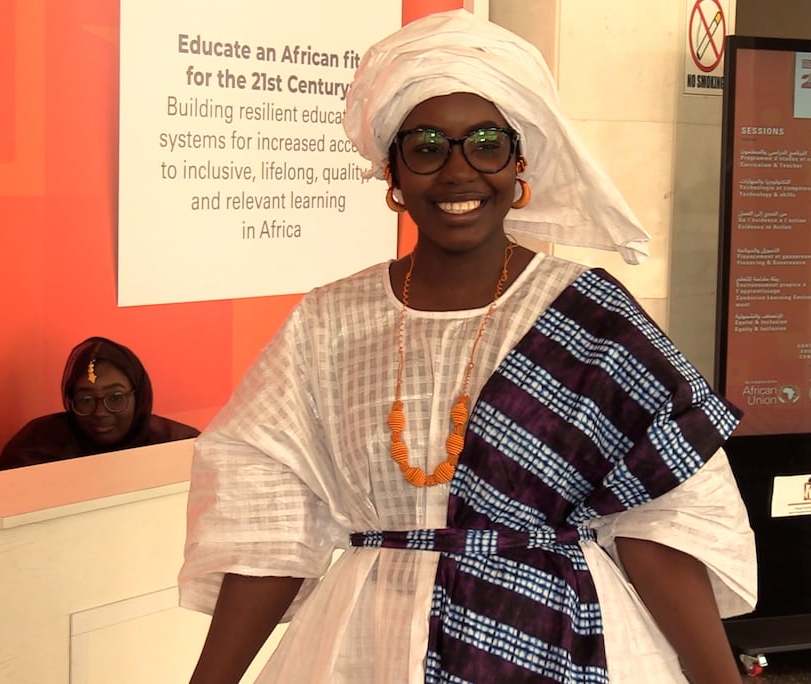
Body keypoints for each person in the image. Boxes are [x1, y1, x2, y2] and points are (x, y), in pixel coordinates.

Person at [179, 10, 755, 683]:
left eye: (486, 144)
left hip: (562, 639)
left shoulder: (593, 316)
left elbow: (660, 521)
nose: (459, 172)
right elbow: (270, 518)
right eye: (427, 147)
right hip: (372, 648)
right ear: (392, 172)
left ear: (518, 163)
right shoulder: (329, 321)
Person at [0, 336, 199, 470]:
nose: (100, 412)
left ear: (139, 397)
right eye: (85, 400)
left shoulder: (179, 447)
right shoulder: (37, 448)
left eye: (115, 398)